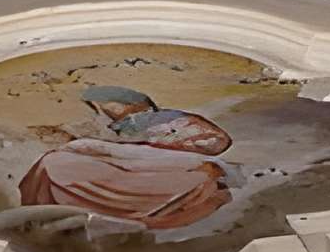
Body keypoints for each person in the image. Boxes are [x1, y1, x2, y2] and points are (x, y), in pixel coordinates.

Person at [18, 86, 233, 230]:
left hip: (163, 165)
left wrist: (152, 146)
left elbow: (217, 142)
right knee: (55, 161)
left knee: (58, 161)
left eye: (107, 105)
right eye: (97, 107)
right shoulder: (111, 127)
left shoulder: (171, 119)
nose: (103, 111)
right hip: (124, 164)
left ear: (132, 104)